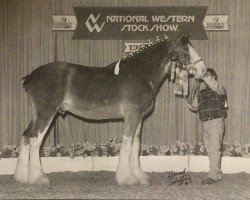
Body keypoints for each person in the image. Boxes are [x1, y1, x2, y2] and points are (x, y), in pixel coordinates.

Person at [187, 68, 228, 185]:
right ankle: (217, 173)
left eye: (208, 76)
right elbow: (195, 107)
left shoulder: (219, 89)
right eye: (205, 77)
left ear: (213, 78)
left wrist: (202, 74)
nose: (206, 79)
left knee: (214, 149)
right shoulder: (201, 93)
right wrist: (190, 103)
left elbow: (213, 85)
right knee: (210, 149)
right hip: (205, 123)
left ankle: (213, 175)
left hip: (216, 121)